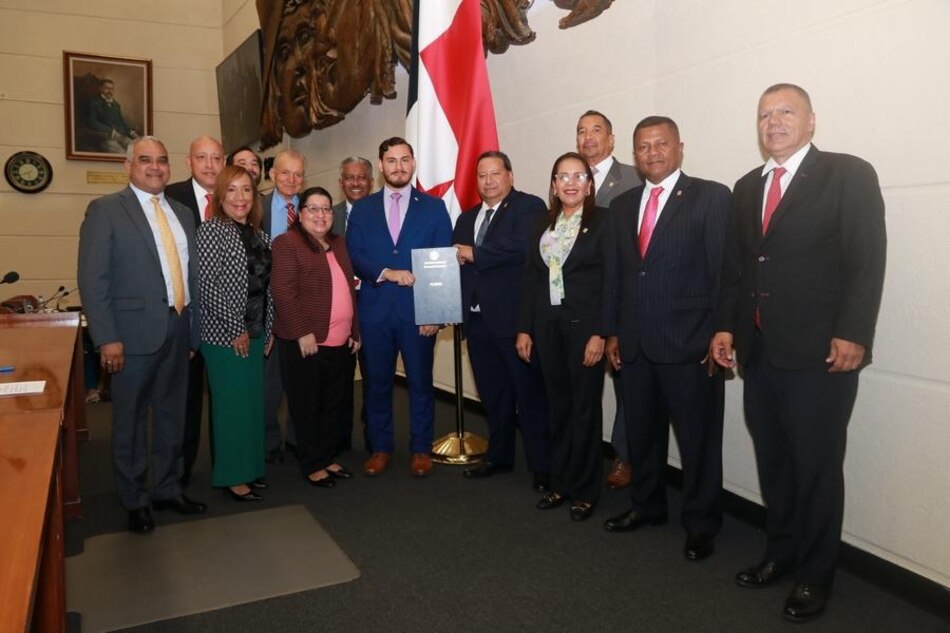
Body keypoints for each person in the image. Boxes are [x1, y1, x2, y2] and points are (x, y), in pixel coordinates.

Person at [709, 83, 887, 622]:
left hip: (821, 355)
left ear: (811, 121)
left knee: (815, 467)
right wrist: (725, 329)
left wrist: (854, 332)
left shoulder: (847, 174)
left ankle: (815, 575)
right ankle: (780, 554)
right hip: (759, 352)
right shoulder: (746, 187)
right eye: (764, 115)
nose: (774, 122)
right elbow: (737, 269)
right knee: (776, 463)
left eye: (786, 112)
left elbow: (866, 259)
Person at [602, 117, 730, 563]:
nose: (652, 152)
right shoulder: (623, 207)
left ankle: (701, 523)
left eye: (661, 144)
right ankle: (647, 506)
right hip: (635, 345)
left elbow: (722, 274)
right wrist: (614, 332)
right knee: (642, 436)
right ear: (633, 154)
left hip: (690, 345)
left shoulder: (711, 197)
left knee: (698, 441)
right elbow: (618, 276)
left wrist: (720, 332)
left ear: (680, 147)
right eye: (643, 146)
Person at [78, 136, 206, 534]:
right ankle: (134, 499)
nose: (155, 167)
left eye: (162, 161)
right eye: (146, 160)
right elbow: (93, 280)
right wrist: (107, 338)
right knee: (129, 422)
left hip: (179, 328)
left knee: (172, 416)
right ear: (128, 165)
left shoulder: (184, 213)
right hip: (130, 337)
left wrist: (193, 333)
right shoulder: (105, 211)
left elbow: (192, 275)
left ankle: (167, 488)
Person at [515, 152, 615, 521]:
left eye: (578, 176)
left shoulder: (604, 221)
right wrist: (524, 327)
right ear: (553, 184)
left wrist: (601, 332)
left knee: (584, 410)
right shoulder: (543, 221)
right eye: (562, 177)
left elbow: (611, 281)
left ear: (589, 185)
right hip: (546, 328)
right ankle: (562, 483)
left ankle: (587, 490)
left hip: (584, 330)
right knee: (556, 407)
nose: (570, 183)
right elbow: (531, 278)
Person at [346, 137, 452, 477]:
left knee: (421, 383)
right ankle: (380, 448)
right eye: (391, 160)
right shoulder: (362, 209)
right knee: (377, 384)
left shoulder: (434, 207)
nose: (399, 167)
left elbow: (442, 262)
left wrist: (435, 313)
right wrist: (386, 273)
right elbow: (354, 255)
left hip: (418, 314)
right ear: (380, 166)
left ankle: (421, 448)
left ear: (413, 163)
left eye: (405, 160)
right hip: (375, 312)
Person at [454, 151, 551, 493]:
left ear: (510, 175)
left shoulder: (530, 206)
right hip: (477, 323)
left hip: (514, 323)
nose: (489, 181)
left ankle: (544, 466)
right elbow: (456, 266)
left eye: (496, 173)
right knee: (493, 395)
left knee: (530, 396)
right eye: (482, 175)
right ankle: (499, 455)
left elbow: (525, 245)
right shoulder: (466, 219)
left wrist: (475, 253)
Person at [272, 186, 360, 487]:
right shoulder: (287, 243)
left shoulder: (338, 243)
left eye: (326, 209)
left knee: (333, 404)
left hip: (340, 340)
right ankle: (312, 464)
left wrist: (355, 330)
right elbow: (283, 291)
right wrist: (301, 331)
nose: (320, 215)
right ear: (300, 213)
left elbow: (349, 289)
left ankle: (327, 456)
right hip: (308, 342)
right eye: (313, 209)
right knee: (308, 406)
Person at [196, 165, 274, 502]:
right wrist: (235, 328)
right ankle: (231, 475)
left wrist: (267, 328)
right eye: (232, 190)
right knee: (231, 408)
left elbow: (265, 287)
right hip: (224, 336)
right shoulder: (211, 231)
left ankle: (251, 468)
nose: (240, 198)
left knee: (251, 405)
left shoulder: (260, 235)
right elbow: (208, 287)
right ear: (220, 196)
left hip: (256, 332)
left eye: (246, 190)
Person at [576, 109, 641, 490]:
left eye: (596, 130)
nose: (588, 138)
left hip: (621, 302)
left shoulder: (634, 179)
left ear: (612, 139)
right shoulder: (569, 180)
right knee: (581, 385)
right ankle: (580, 454)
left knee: (626, 385)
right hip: (580, 305)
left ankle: (625, 456)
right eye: (581, 131)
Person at [166, 136, 225, 487]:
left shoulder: (236, 197)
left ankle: (228, 467)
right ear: (188, 162)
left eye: (216, 157)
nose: (209, 164)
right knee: (184, 403)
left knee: (225, 400)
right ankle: (179, 473)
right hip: (185, 319)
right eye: (201, 157)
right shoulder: (169, 198)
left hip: (226, 322)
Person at [260, 149, 307, 463]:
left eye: (298, 174)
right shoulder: (253, 206)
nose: (292, 180)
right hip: (265, 305)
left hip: (305, 307)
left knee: (302, 379)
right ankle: (267, 441)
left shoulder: (315, 208)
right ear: (272, 174)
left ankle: (297, 438)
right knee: (268, 382)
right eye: (285, 172)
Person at [332, 156, 374, 454]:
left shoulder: (382, 213)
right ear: (341, 182)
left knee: (373, 375)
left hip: (372, 303)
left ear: (371, 182)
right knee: (339, 377)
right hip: (337, 308)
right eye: (349, 177)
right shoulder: (326, 214)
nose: (355, 183)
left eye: (361, 177)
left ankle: (375, 437)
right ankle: (339, 439)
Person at [85, 78, 139, 153]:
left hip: (120, 136)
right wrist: (110, 131)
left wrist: (131, 133)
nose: (109, 91)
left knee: (135, 150)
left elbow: (121, 123)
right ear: (101, 89)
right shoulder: (93, 102)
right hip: (104, 137)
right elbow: (92, 122)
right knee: (122, 153)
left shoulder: (116, 105)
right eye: (106, 88)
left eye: (111, 89)